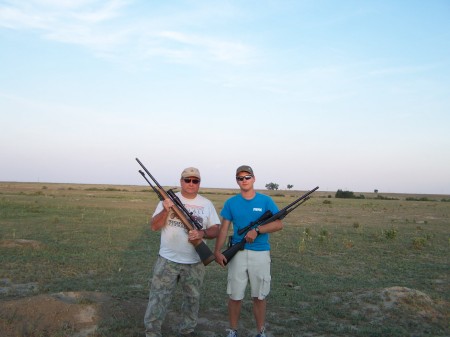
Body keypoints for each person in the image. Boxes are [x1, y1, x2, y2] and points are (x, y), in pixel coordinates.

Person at [144, 167, 220, 337]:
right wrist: (166, 210)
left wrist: (202, 233)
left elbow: (216, 229)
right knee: (158, 297)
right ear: (181, 181)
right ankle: (152, 332)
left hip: (194, 262)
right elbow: (154, 226)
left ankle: (187, 331)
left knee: (192, 300)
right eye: (187, 180)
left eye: (195, 180)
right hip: (168, 260)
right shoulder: (168, 201)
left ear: (199, 183)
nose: (191, 184)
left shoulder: (206, 204)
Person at [214, 165, 283, 337]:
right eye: (240, 178)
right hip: (237, 253)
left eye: (247, 177)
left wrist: (258, 230)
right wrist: (217, 251)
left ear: (254, 178)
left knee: (259, 296)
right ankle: (233, 330)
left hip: (260, 253)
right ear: (237, 181)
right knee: (235, 295)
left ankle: (261, 331)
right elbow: (223, 229)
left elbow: (278, 223)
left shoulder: (266, 201)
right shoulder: (231, 203)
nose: (244, 180)